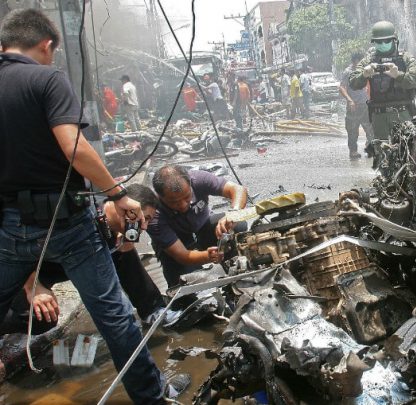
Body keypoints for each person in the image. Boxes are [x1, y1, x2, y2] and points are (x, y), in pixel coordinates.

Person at [0, 9, 183, 403]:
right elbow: (74, 147)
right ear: (48, 45)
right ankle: (153, 397)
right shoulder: (47, 78)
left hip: (8, 224)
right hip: (66, 222)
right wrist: (118, 193)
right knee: (114, 315)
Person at [4, 184, 182, 333]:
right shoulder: (82, 215)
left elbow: (129, 271)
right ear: (125, 209)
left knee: (124, 254)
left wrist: (124, 241)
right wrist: (33, 287)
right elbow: (14, 247)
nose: (144, 226)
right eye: (144, 219)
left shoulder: (115, 231)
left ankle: (154, 310)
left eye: (148, 221)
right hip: (21, 274)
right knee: (41, 319)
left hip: (58, 269)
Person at [148, 165, 248, 288]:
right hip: (176, 244)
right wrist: (207, 256)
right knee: (183, 286)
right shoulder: (153, 214)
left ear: (191, 184)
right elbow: (182, 255)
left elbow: (238, 190)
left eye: (186, 197)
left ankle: (235, 271)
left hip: (203, 227)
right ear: (160, 197)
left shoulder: (198, 178)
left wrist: (233, 214)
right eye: (174, 202)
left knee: (237, 226)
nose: (183, 205)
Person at [349, 21, 416, 154]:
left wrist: (398, 75)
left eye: (386, 41)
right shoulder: (368, 60)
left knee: (407, 151)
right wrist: (364, 74)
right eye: (378, 42)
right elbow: (353, 83)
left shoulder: (405, 57)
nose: (383, 45)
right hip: (379, 115)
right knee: (382, 155)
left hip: (402, 113)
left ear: (394, 40)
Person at [340, 52, 374, 159]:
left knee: (370, 129)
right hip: (354, 106)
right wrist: (350, 101)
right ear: (355, 61)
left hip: (366, 105)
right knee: (352, 130)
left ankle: (370, 148)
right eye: (360, 61)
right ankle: (353, 151)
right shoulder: (348, 72)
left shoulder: (365, 71)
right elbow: (342, 88)